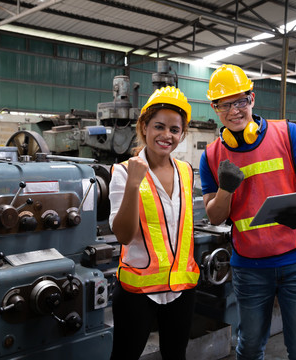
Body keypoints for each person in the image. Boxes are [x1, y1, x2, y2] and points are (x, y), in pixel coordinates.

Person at [199, 64, 296, 360]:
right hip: (251, 268)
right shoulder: (212, 156)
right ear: (215, 108)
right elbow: (215, 217)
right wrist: (225, 190)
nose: (234, 111)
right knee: (250, 347)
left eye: (240, 101)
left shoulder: (288, 133)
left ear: (252, 99)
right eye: (225, 104)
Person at [108, 86, 200, 360]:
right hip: (138, 291)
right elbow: (124, 235)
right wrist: (134, 185)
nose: (166, 135)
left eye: (174, 129)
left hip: (181, 289)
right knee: (125, 356)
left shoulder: (186, 171)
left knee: (176, 355)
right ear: (144, 126)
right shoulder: (124, 172)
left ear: (182, 134)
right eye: (159, 126)